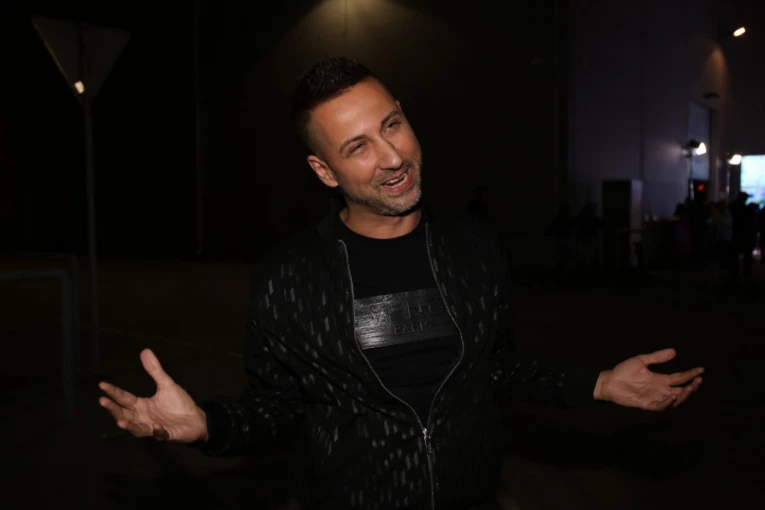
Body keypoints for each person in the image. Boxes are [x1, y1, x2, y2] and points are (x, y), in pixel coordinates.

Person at [98, 58, 704, 510]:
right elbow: (275, 409)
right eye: (358, 147)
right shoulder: (288, 275)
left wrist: (597, 383)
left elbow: (497, 369)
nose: (392, 157)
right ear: (324, 170)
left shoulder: (474, 246)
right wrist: (208, 425)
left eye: (393, 124)